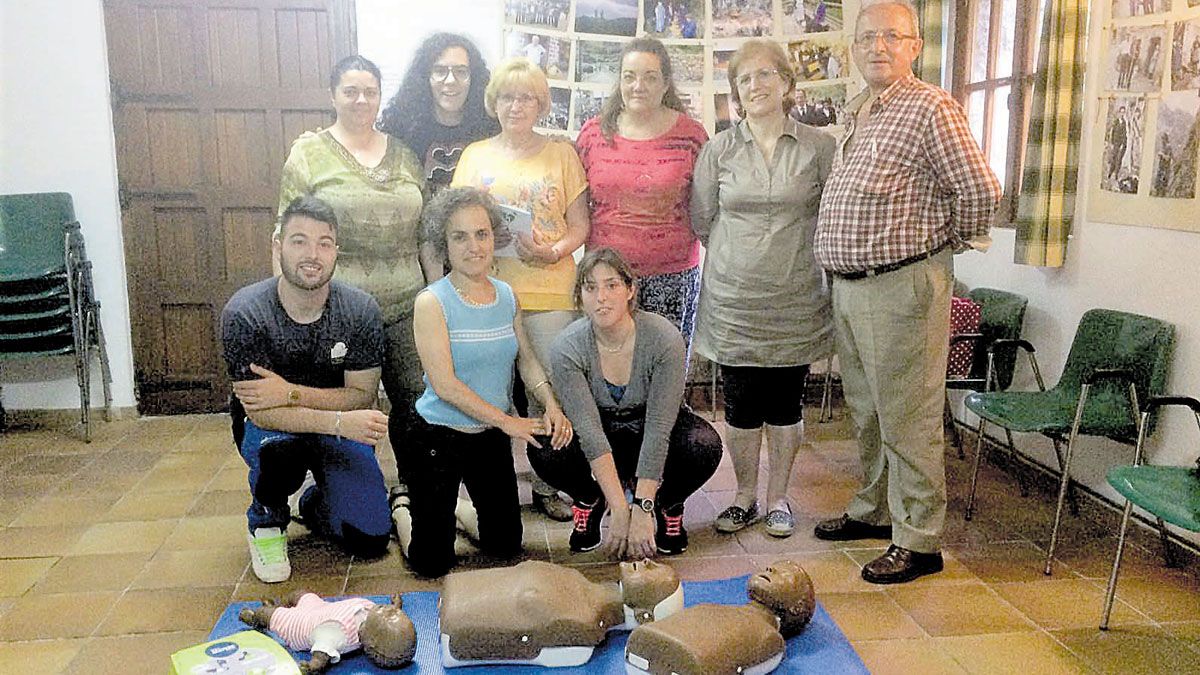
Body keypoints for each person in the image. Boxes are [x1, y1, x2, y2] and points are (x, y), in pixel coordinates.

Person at [814, 1, 1001, 584]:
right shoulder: (863, 111)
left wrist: (941, 248)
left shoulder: (929, 107)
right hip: (853, 288)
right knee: (868, 411)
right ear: (854, 47)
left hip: (901, 286)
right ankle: (876, 510)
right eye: (867, 37)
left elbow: (980, 189)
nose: (878, 46)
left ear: (915, 46)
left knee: (909, 416)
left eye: (892, 36)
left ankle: (920, 539)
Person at [691, 39, 835, 540]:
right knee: (741, 403)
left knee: (785, 403)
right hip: (734, 300)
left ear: (787, 83)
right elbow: (703, 220)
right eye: (744, 80)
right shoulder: (718, 149)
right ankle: (743, 497)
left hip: (797, 296)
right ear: (735, 92)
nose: (755, 86)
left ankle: (778, 499)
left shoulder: (820, 146)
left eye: (765, 75)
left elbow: (829, 216)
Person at [399, 187, 573, 578]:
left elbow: (526, 359)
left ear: (495, 237)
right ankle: (404, 509)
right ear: (444, 244)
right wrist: (509, 422)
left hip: (489, 437)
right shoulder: (432, 301)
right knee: (431, 562)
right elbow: (444, 385)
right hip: (436, 436)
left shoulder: (508, 296)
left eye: (481, 234)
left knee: (506, 545)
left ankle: (454, 509)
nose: (473, 246)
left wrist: (550, 403)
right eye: (459, 237)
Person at [277, 55, 426, 500]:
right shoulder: (308, 153)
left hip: (407, 303)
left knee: (416, 404)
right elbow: (285, 232)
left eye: (370, 91)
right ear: (333, 96)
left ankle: (417, 492)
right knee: (343, 403)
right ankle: (338, 495)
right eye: (350, 90)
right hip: (337, 311)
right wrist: (288, 312)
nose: (362, 100)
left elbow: (424, 235)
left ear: (380, 96)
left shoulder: (403, 153)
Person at [222, 196, 392, 584]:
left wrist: (290, 392)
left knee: (370, 540)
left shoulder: (361, 309)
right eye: (299, 241)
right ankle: (267, 518)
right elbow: (262, 410)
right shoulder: (244, 314)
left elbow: (362, 394)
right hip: (274, 430)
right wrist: (335, 420)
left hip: (336, 425)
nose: (312, 254)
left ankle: (316, 502)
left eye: (324, 243)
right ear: (277, 246)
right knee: (280, 452)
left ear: (336, 252)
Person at [451, 58, 590, 522]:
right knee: (487, 392)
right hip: (485, 292)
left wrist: (551, 252)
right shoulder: (474, 155)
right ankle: (488, 488)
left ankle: (550, 483)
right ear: (494, 102)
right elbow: (456, 222)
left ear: (541, 104)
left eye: (527, 97)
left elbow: (580, 227)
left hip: (551, 290)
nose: (517, 106)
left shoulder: (562, 155)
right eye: (508, 96)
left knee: (548, 390)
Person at [529, 249, 722, 558]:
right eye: (590, 287)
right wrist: (620, 509)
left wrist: (642, 508)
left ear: (631, 290)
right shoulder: (567, 348)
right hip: (603, 432)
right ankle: (591, 499)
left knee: (702, 444)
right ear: (579, 296)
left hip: (651, 428)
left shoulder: (664, 339)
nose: (601, 297)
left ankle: (667, 503)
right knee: (545, 447)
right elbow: (590, 432)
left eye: (612, 285)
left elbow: (660, 428)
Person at [575, 38, 709, 351]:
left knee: (666, 374)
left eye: (650, 77)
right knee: (609, 372)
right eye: (629, 76)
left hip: (672, 276)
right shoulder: (593, 133)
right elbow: (575, 207)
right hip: (605, 279)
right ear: (619, 80)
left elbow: (705, 208)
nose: (639, 86)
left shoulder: (691, 136)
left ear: (665, 84)